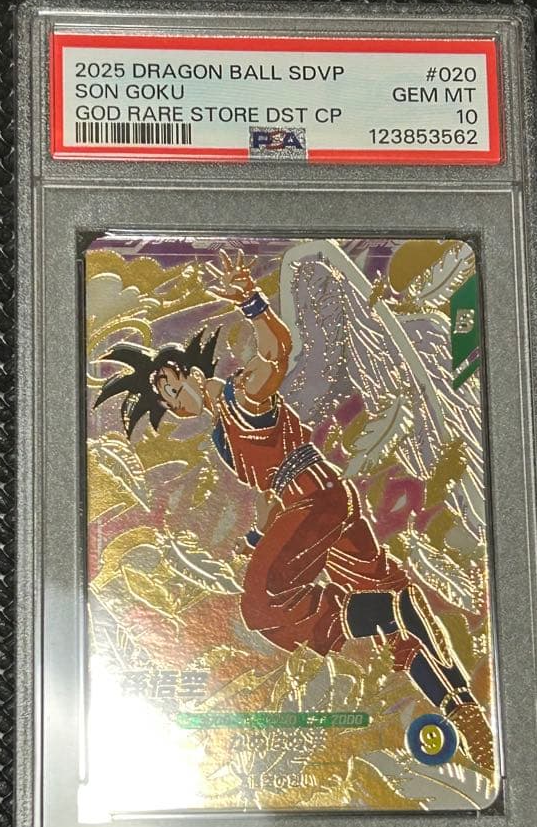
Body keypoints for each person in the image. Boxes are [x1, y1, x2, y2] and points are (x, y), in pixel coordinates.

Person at [96, 250, 494, 772]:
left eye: (172, 387)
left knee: (263, 606)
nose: (175, 402)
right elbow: (269, 486)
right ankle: (464, 711)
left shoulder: (243, 396)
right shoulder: (223, 431)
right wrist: (260, 534)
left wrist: (252, 303)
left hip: (314, 502)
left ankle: (392, 611)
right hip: (318, 503)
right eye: (168, 403)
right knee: (393, 614)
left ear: (187, 371)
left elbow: (277, 351)